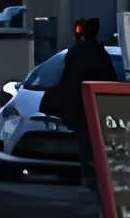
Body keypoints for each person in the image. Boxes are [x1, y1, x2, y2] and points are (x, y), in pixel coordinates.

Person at [43, 15, 121, 187]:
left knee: (86, 142)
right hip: (91, 106)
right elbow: (110, 79)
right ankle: (91, 175)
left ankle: (89, 174)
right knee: (91, 142)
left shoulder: (79, 54)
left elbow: (68, 80)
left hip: (80, 106)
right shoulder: (97, 54)